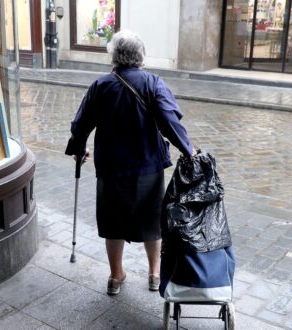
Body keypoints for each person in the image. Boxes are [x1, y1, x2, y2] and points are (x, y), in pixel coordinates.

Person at [66, 29, 195, 296]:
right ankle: (154, 274)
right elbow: (170, 121)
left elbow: (81, 124)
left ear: (114, 56)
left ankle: (115, 276)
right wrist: (189, 151)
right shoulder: (153, 82)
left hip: (112, 167)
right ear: (141, 56)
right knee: (151, 221)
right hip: (147, 166)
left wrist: (79, 149)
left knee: (113, 221)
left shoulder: (101, 86)